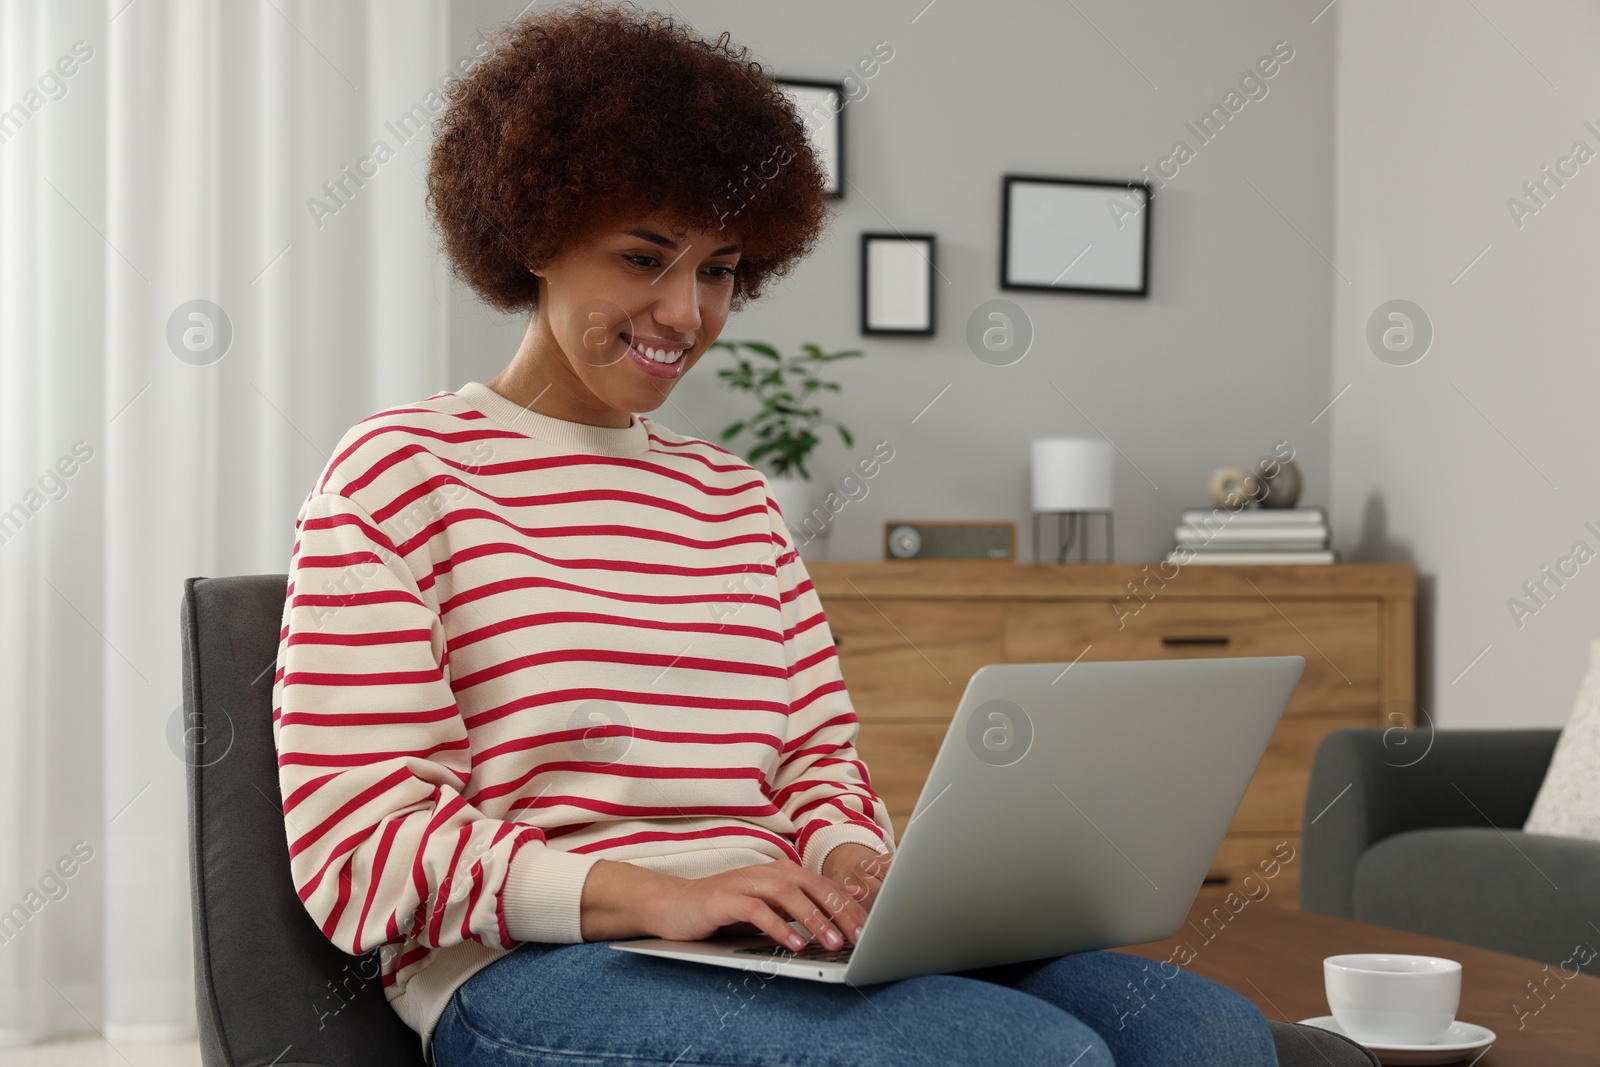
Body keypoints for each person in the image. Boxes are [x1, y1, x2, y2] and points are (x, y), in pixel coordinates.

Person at [270, 2, 1281, 1064]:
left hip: (774, 932)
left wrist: (851, 856)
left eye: (718, 270)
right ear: (534, 232)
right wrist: (655, 894)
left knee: (1205, 1032)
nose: (684, 313)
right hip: (529, 962)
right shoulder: (401, 472)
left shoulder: (732, 500)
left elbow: (816, 762)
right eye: (643, 257)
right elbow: (363, 838)